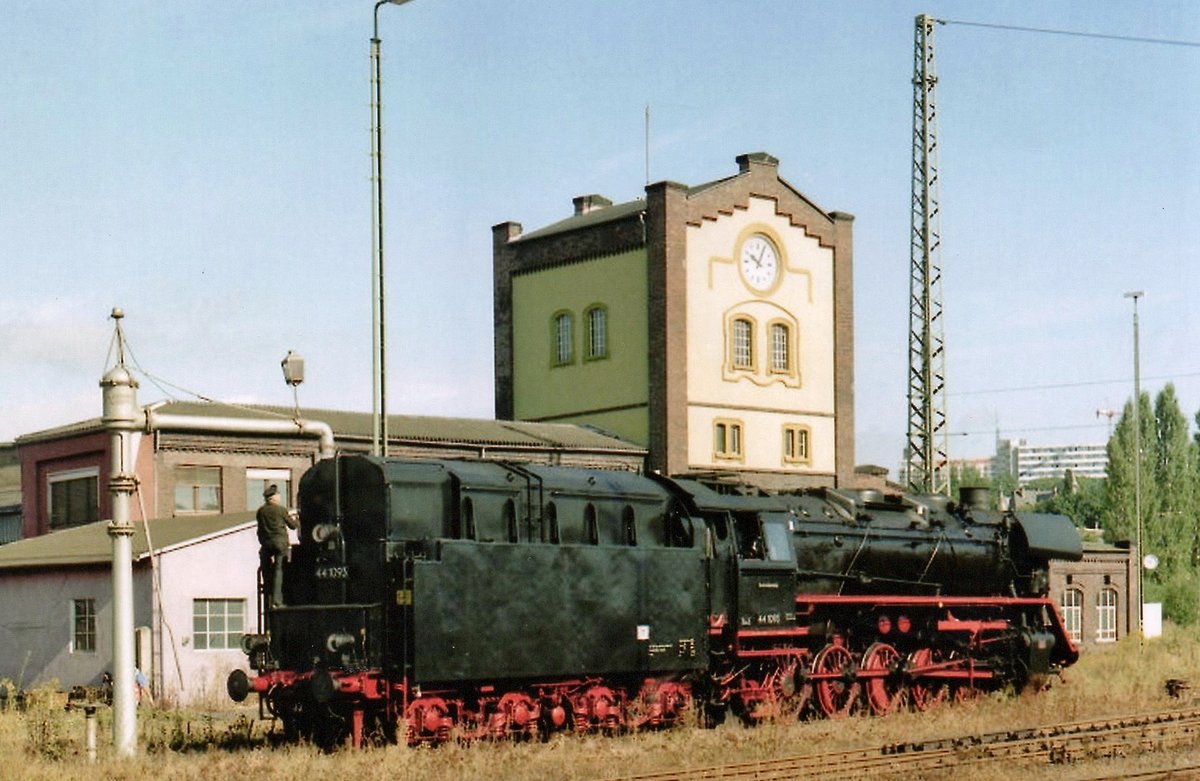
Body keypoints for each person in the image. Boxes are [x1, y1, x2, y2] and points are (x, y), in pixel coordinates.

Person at [257, 484, 297, 608]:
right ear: (273, 498)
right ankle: (277, 600)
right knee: (279, 570)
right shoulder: (280, 510)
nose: (280, 497)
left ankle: (267, 594)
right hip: (280, 544)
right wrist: (297, 520)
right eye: (278, 495)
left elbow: (260, 529)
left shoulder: (261, 511)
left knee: (266, 568)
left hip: (266, 544)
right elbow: (293, 526)